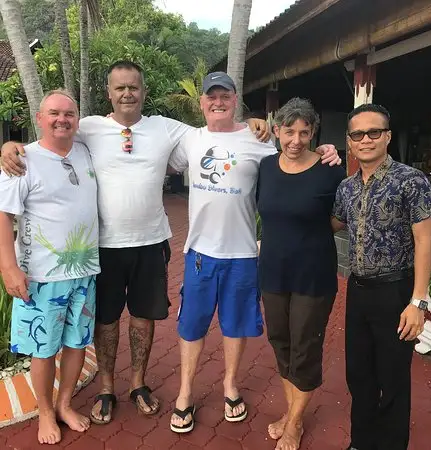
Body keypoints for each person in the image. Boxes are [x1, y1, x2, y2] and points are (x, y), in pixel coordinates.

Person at [0, 61, 271, 426]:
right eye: (119, 87)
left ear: (143, 91)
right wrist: (9, 145)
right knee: (107, 321)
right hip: (104, 247)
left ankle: (139, 383)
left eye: (134, 87)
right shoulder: (89, 128)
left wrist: (256, 125)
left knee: (144, 318)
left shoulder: (166, 128)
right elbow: (51, 138)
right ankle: (107, 387)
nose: (127, 93)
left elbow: (219, 130)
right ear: (109, 93)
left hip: (151, 242)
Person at [167, 74, 342, 434]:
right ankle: (185, 393)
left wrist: (328, 150)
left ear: (236, 101)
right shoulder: (189, 138)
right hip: (199, 251)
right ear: (202, 103)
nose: (218, 102)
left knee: (236, 325)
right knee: (191, 325)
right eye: (211, 96)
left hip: (244, 254)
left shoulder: (259, 143)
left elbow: (294, 156)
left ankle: (231, 386)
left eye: (225, 96)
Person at [331, 104, 431, 450]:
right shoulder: (346, 187)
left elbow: (424, 241)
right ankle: (361, 441)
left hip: (396, 292)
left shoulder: (410, 181)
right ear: (349, 141)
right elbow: (331, 223)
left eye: (373, 132)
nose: (365, 139)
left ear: (387, 136)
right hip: (358, 292)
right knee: (359, 375)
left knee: (392, 379)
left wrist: (417, 302)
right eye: (357, 134)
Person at [0, 90, 99, 445]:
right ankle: (44, 411)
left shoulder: (85, 150)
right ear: (39, 118)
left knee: (76, 344)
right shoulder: (22, 160)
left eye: (69, 114)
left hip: (84, 271)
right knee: (43, 350)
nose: (62, 119)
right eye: (54, 113)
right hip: (41, 277)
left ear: (77, 119)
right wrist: (8, 267)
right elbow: (3, 215)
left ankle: (64, 404)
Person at [256, 98, 345, 450]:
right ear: (277, 130)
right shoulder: (265, 167)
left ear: (313, 133)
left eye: (304, 132)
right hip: (273, 272)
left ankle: (294, 422)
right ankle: (291, 410)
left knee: (305, 347)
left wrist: (314, 230)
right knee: (281, 342)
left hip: (313, 275)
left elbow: (343, 216)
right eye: (288, 131)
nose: (296, 140)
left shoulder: (330, 170)